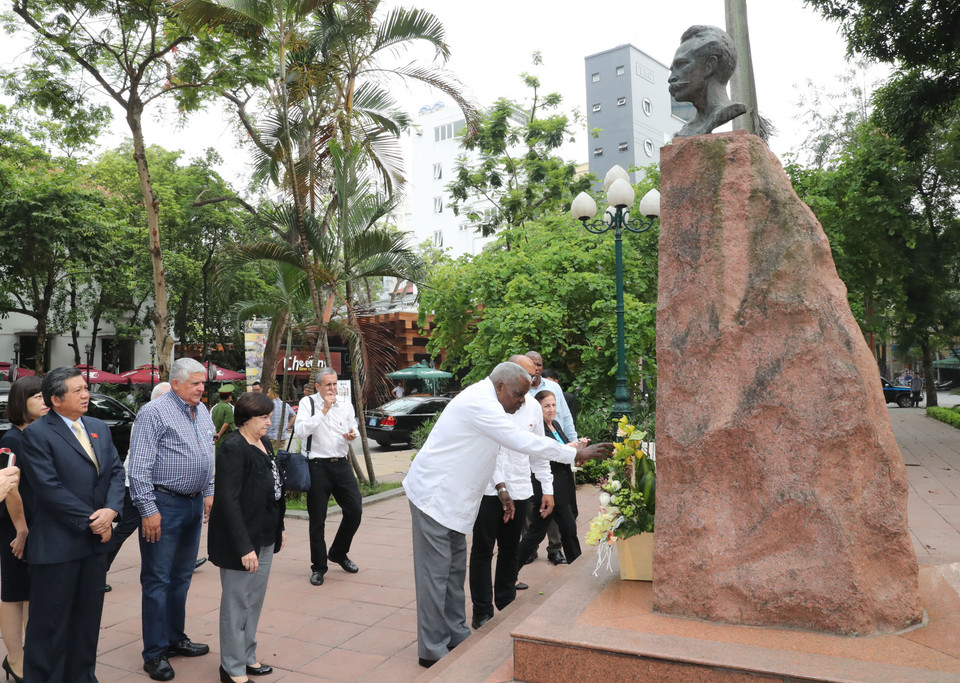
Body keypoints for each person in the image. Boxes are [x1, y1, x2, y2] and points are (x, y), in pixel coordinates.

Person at [403, 362, 612, 667]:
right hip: (433, 497)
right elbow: (519, 440)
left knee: (453, 572)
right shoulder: (480, 402)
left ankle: (456, 634)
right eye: (518, 394)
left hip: (454, 502)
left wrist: (504, 487)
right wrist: (572, 453)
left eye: (526, 395)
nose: (522, 401)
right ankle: (431, 649)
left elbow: (502, 449)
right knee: (436, 576)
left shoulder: (495, 403)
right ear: (500, 387)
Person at [19, 366, 125, 682]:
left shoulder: (97, 427)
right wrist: (92, 521)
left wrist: (111, 511)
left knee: (87, 622)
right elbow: (49, 487)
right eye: (77, 390)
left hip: (94, 546)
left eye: (85, 387)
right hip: (58, 547)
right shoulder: (38, 433)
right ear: (55, 399)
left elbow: (117, 472)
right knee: (49, 626)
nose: (85, 394)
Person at [129, 358, 216, 681]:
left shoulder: (202, 411)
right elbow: (138, 468)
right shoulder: (153, 413)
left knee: (181, 577)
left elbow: (207, 453)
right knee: (157, 580)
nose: (201, 388)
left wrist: (208, 490)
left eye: (202, 383)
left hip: (193, 505)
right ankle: (154, 653)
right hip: (163, 504)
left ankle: (175, 638)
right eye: (195, 383)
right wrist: (148, 510)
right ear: (176, 383)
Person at [468, 355, 554, 631]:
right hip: (488, 491)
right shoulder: (489, 405)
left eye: (531, 378)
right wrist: (499, 486)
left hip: (520, 489)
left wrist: (547, 488)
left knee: (510, 550)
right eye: (523, 377)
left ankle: (506, 601)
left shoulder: (530, 407)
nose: (529, 383)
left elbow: (539, 449)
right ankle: (482, 610)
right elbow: (488, 452)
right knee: (483, 551)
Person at [208, 392, 285, 683]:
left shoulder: (263, 442)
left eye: (269, 416)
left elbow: (273, 487)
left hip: (264, 534)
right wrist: (244, 546)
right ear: (247, 418)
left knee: (254, 600)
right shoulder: (233, 447)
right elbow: (228, 499)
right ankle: (231, 667)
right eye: (264, 417)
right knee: (235, 603)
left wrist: (279, 528)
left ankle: (247, 655)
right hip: (239, 540)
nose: (269, 421)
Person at [293, 368, 362, 586]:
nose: (333, 389)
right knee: (317, 520)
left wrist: (353, 435)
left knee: (355, 510)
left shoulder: (345, 403)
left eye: (335, 384)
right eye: (328, 385)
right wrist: (323, 410)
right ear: (318, 386)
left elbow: (353, 425)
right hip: (316, 466)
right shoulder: (308, 403)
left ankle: (338, 553)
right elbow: (301, 431)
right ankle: (319, 567)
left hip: (341, 464)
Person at [104, 382, 171, 591]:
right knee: (124, 529)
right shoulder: (147, 419)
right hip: (135, 485)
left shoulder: (165, 419)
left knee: (162, 528)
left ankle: (172, 563)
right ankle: (97, 570)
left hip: (152, 487)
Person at [0, 376, 45, 681]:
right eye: (38, 396)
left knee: (30, 593)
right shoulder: (12, 439)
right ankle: (15, 659)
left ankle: (28, 655)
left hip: (36, 526)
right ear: (21, 402)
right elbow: (10, 490)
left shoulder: (37, 435)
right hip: (15, 528)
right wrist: (21, 530)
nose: (45, 401)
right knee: (14, 595)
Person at [517, 390, 584, 578]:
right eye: (547, 406)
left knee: (538, 533)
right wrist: (568, 449)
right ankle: (577, 566)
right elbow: (546, 454)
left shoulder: (555, 424)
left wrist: (578, 449)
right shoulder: (539, 430)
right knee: (565, 530)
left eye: (554, 405)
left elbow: (562, 452)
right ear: (538, 408)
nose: (551, 409)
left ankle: (510, 572)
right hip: (549, 488)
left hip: (562, 485)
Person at [524, 351, 576, 565]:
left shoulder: (553, 388)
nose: (536, 368)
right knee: (531, 508)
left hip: (556, 453)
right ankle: (528, 550)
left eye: (539, 364)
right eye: (532, 365)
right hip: (529, 455)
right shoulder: (521, 389)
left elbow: (565, 417)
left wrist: (574, 447)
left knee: (554, 506)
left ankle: (555, 549)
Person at [668, 25, 747, 137]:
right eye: (672, 70)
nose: (671, 78)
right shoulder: (686, 131)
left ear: (709, 66)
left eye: (681, 64)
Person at [266, 384, 296, 450]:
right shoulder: (285, 405)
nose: (267, 394)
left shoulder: (269, 406)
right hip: (283, 436)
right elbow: (294, 415)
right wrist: (287, 427)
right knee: (281, 455)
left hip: (271, 435)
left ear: (273, 394)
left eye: (268, 393)